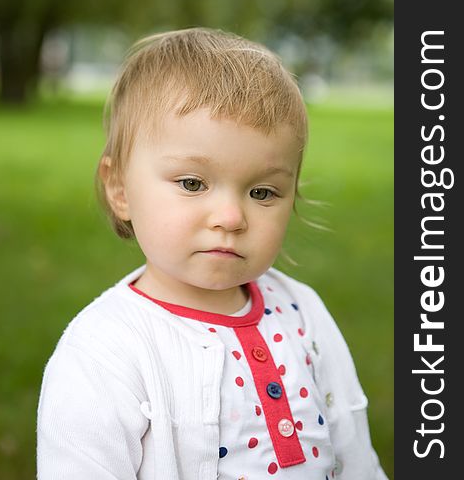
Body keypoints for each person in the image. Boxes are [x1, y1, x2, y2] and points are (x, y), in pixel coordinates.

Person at [37, 28, 387, 479]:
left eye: (262, 192)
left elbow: (355, 453)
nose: (230, 217)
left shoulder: (302, 312)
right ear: (120, 188)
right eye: (192, 183)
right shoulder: (105, 350)